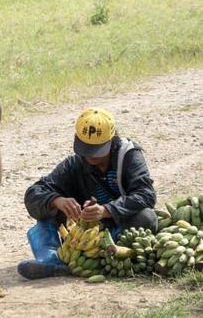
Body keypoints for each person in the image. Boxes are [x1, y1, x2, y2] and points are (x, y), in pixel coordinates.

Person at [17, 107, 157, 280]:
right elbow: (33, 193)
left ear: (112, 141)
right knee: (46, 210)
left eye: (97, 149)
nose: (90, 156)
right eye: (86, 148)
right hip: (83, 234)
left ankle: (106, 255)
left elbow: (146, 194)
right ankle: (50, 259)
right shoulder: (75, 163)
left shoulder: (129, 156)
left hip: (117, 228)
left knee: (146, 217)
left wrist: (107, 210)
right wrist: (56, 201)